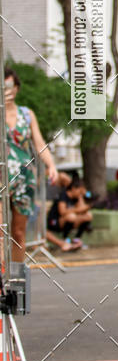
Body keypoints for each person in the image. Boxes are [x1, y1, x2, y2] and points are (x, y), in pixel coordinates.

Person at [4, 67, 58, 263]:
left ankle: (16, 279)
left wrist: (51, 165)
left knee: (18, 232)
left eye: (10, 86)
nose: (6, 90)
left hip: (24, 179)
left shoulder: (27, 115)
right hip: (1, 178)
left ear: (17, 88)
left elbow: (40, 144)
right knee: (0, 232)